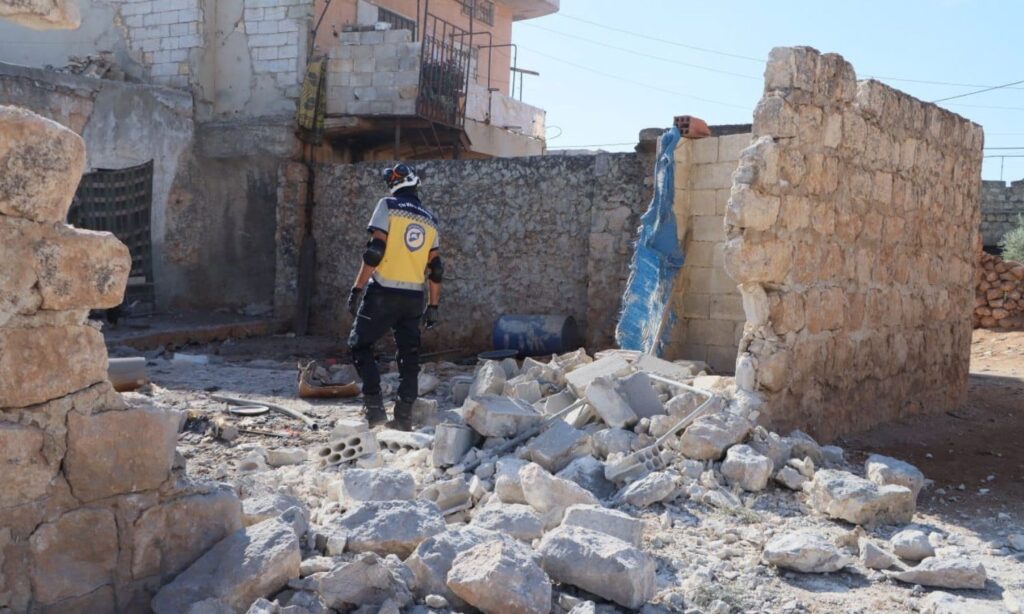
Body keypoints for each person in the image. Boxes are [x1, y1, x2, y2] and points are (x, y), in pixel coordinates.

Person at [347, 164, 442, 430]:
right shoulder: (430, 219)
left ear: (395, 184)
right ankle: (402, 419)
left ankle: (375, 410)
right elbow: (436, 270)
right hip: (414, 297)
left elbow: (375, 251)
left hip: (383, 293)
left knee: (359, 345)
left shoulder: (387, 205)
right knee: (409, 356)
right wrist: (433, 306)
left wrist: (357, 288)